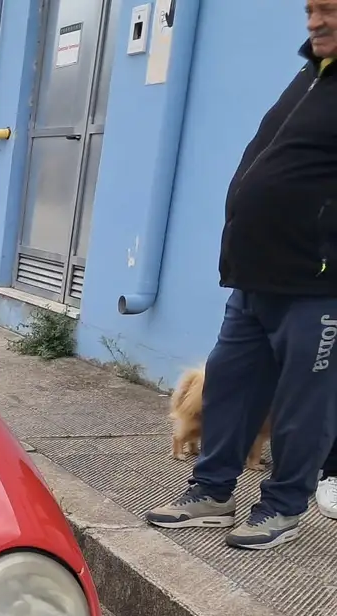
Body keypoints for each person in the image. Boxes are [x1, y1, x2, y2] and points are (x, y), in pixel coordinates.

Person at [147, 1, 337, 550]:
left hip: (317, 285)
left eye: (329, 10)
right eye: (310, 10)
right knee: (228, 386)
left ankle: (282, 506)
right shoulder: (311, 74)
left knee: (304, 405)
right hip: (255, 276)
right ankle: (212, 492)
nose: (314, 22)